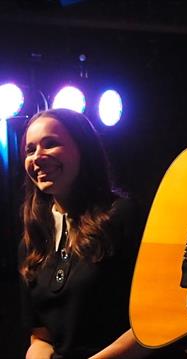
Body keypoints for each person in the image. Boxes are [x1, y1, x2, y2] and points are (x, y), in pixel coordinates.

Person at [18, 108, 153, 359]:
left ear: (83, 150)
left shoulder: (123, 215)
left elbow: (154, 320)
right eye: (30, 149)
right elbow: (41, 335)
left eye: (51, 144)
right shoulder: (32, 240)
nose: (37, 157)